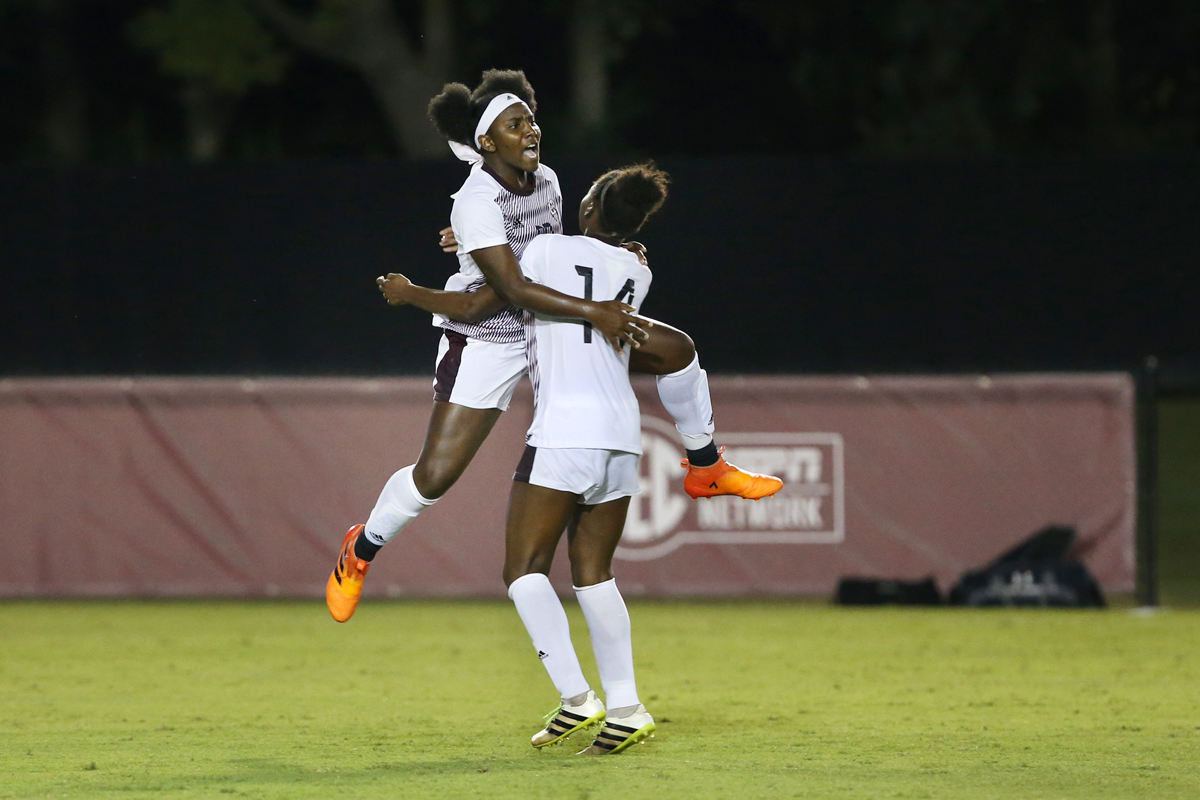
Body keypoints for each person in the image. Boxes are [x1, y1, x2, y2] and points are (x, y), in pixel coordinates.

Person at [326, 70, 781, 623]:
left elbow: (555, 251)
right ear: (487, 142)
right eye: (516, 124)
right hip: (487, 335)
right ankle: (362, 548)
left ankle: (706, 464)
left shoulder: (548, 180)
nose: (532, 130)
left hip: (549, 322)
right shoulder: (473, 201)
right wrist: (594, 309)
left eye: (532, 121)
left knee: (677, 348)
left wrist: (611, 249)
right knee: (436, 477)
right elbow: (507, 290)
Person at [505, 162, 669, 754]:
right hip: (623, 432)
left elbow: (504, 278)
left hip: (566, 429)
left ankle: (579, 699)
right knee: (595, 574)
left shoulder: (546, 249)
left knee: (524, 570)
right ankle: (626, 708)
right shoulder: (636, 271)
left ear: (593, 207)